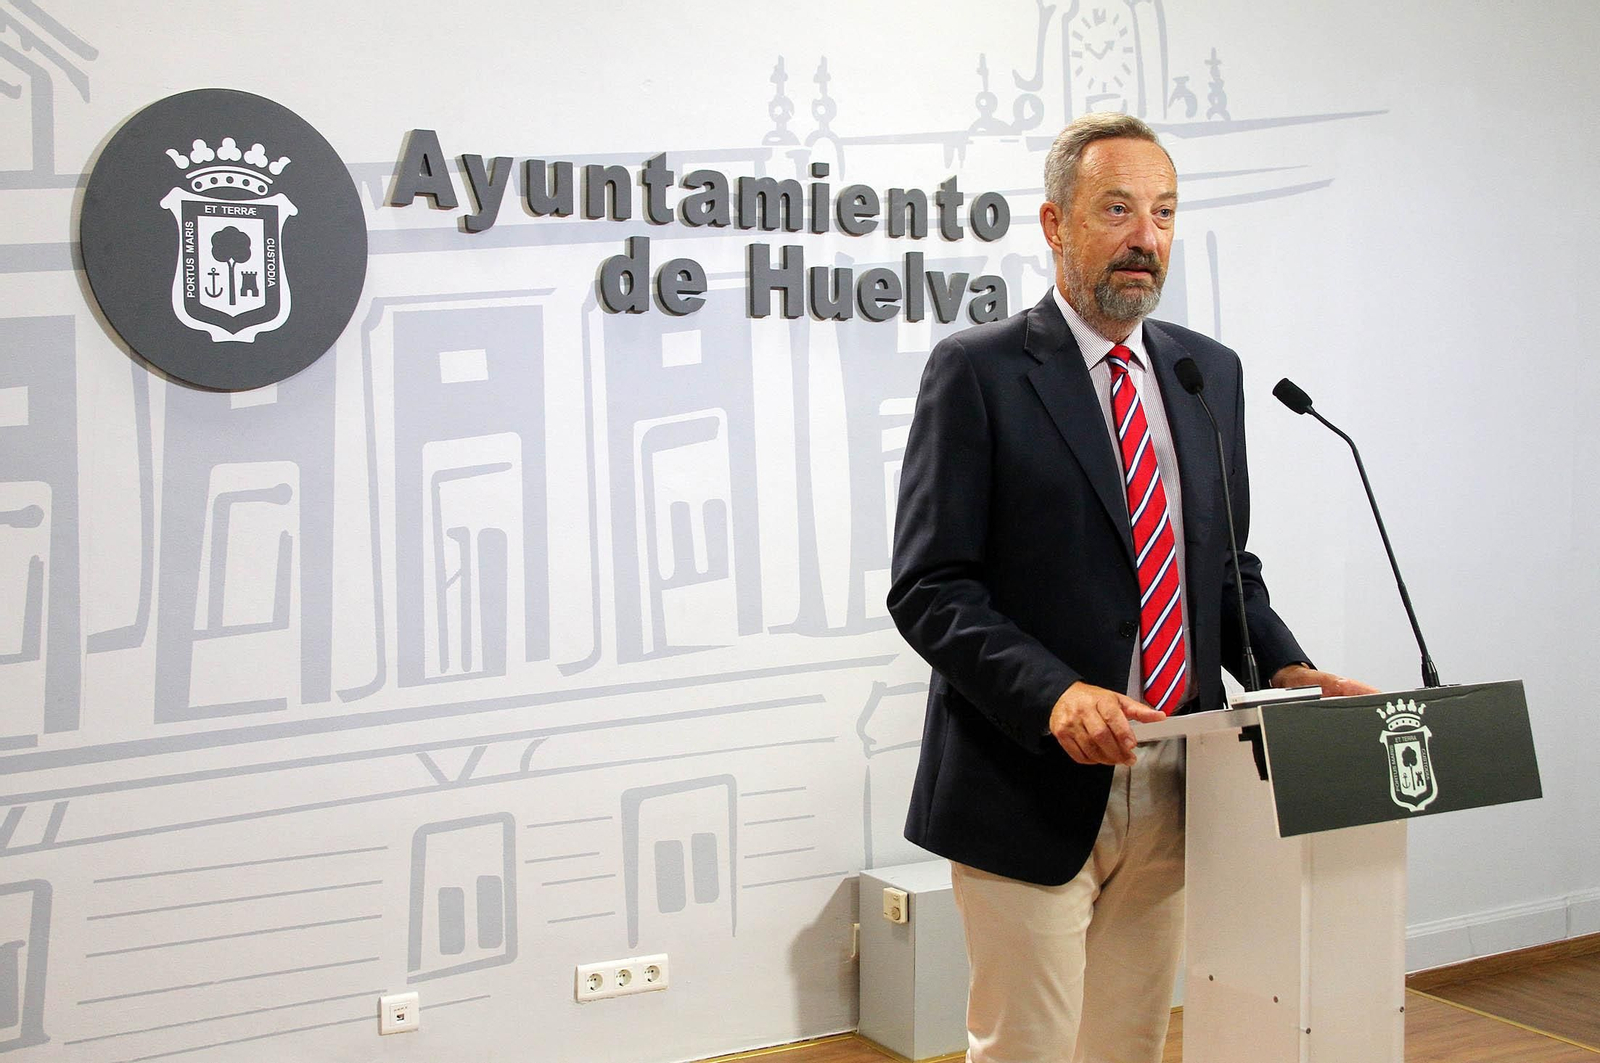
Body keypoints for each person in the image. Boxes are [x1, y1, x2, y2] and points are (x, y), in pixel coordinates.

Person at [885, 112, 1376, 1062]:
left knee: (1128, 1046)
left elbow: (1223, 567)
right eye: (1116, 209)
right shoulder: (980, 372)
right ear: (1054, 224)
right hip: (1025, 780)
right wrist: (1054, 693)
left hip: (1178, 777)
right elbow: (932, 585)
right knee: (1028, 1049)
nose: (1146, 237)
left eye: (1163, 212)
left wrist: (1286, 664)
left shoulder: (1207, 375)